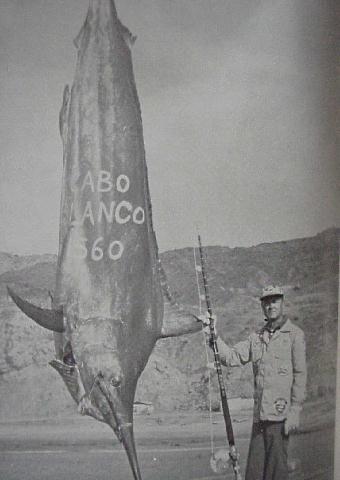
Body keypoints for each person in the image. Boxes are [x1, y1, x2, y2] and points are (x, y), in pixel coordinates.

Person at [201, 285, 307, 480]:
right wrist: (214, 336)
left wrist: (295, 411)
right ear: (262, 307)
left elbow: (300, 375)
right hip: (259, 419)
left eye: (274, 300)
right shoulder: (256, 339)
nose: (271, 305)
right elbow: (231, 357)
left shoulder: (295, 335)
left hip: (281, 417)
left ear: (282, 303)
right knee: (254, 473)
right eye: (266, 302)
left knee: (277, 473)